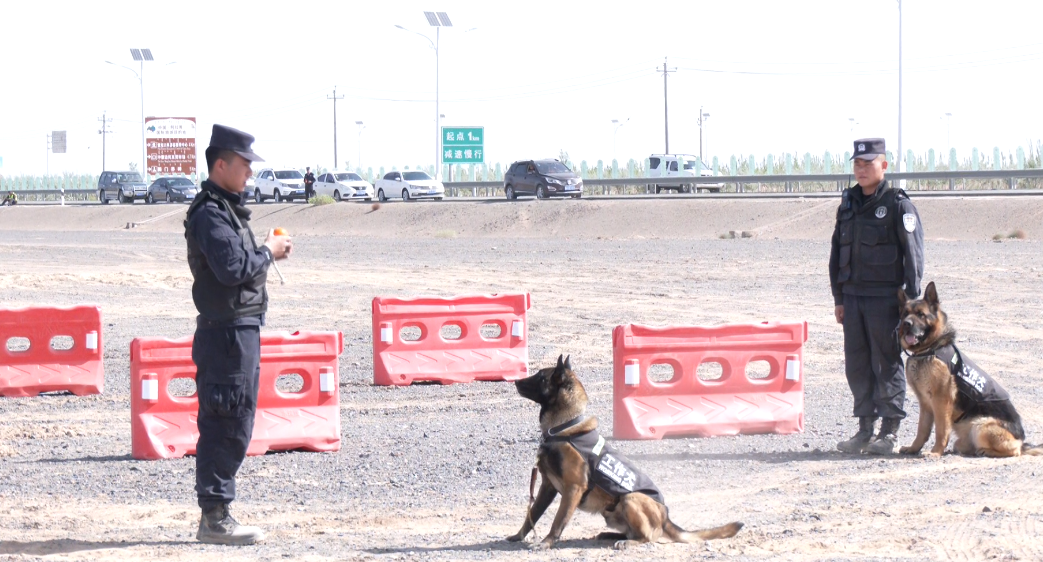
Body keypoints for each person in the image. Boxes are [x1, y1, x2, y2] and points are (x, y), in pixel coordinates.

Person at [184, 124, 292, 545]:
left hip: (239, 329)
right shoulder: (210, 213)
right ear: (221, 164)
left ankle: (218, 513)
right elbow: (232, 269)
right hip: (225, 334)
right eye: (245, 165)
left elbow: (238, 262)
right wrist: (268, 252)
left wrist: (264, 250)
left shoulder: (225, 210)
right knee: (225, 421)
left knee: (237, 418)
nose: (250, 174)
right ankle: (214, 517)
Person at [830, 138, 925, 455]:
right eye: (857, 164)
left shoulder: (898, 205)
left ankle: (890, 431)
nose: (861, 169)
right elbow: (836, 254)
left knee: (886, 363)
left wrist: (911, 308)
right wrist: (839, 299)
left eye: (868, 163)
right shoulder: (848, 204)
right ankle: (864, 429)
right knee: (857, 365)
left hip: (886, 300)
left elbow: (913, 258)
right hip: (854, 299)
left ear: (883, 166)